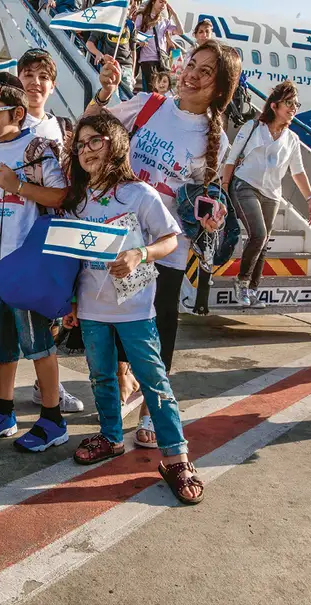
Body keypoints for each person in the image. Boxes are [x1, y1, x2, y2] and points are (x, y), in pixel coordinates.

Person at [86, 40, 239, 448]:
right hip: (117, 239)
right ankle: (124, 386)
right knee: (116, 323)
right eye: (191, 64)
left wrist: (211, 215)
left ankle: (153, 411)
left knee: (157, 332)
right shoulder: (147, 105)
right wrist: (105, 93)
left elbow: (207, 199)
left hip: (165, 249)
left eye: (205, 72)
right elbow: (91, 129)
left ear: (220, 87)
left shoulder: (216, 140)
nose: (192, 74)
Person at [59, 115, 203, 504]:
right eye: (80, 144)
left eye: (95, 140)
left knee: (154, 381)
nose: (86, 150)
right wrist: (71, 304)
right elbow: (73, 258)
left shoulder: (140, 193)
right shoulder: (77, 201)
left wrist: (141, 253)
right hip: (92, 310)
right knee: (101, 377)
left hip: (136, 310)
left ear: (117, 144)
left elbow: (170, 239)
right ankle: (111, 437)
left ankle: (176, 456)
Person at [0, 60, 86, 416]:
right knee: (2, 346)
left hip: (27, 264)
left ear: (17, 112)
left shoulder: (37, 149)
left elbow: (61, 196)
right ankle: (4, 413)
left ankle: (51, 416)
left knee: (39, 345)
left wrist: (18, 186)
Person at [221, 81, 311, 309]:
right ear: (274, 106)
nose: (293, 108)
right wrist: (225, 187)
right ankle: (241, 282)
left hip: (272, 194)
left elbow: (298, 172)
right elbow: (231, 159)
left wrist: (310, 199)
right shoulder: (253, 127)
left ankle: (253, 290)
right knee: (259, 234)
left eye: (296, 105)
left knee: (263, 242)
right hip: (245, 185)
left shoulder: (292, 139)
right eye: (289, 103)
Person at [133, 0, 180, 93]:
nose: (163, 5)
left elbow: (180, 31)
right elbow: (134, 33)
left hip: (162, 58)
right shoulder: (142, 17)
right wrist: (140, 41)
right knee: (152, 89)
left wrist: (174, 15)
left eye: (165, 3)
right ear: (153, 2)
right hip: (147, 58)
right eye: (161, 2)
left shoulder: (164, 20)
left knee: (165, 89)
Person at [85, 16, 136, 97]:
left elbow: (133, 50)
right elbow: (89, 43)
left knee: (127, 97)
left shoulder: (130, 24)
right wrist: (98, 53)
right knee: (112, 96)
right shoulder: (105, 23)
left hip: (126, 67)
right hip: (110, 65)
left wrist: (133, 72)